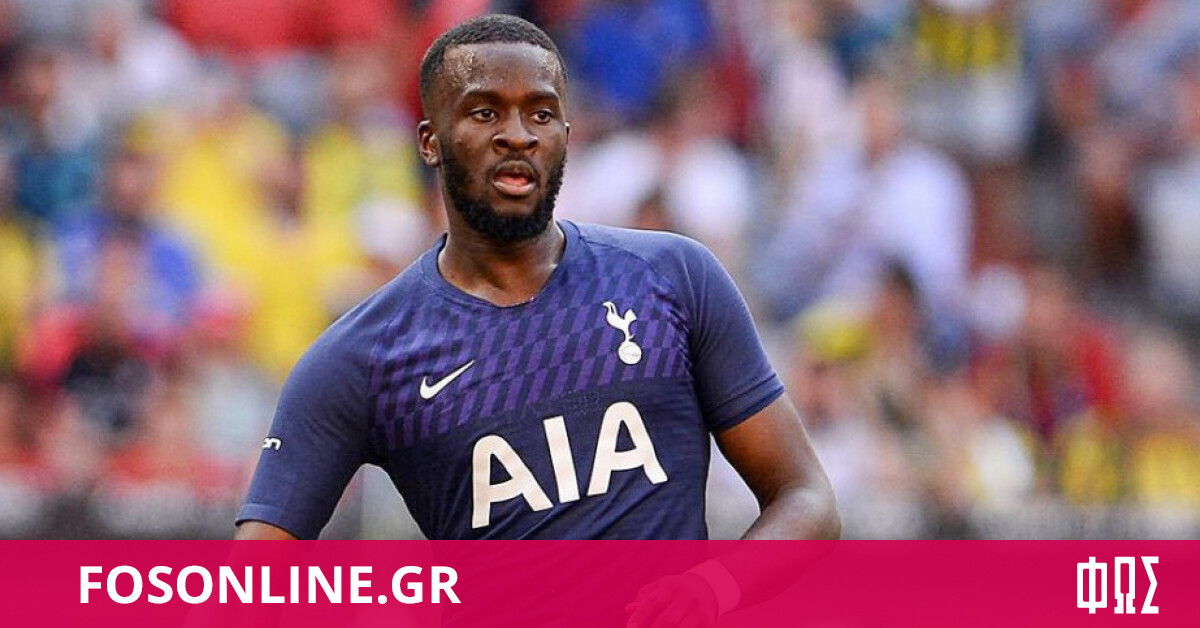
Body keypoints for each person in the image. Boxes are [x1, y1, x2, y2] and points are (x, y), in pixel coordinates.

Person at [235, 13, 838, 624]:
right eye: (485, 113)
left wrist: (712, 589)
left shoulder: (675, 277)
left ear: (567, 136)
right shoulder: (363, 355)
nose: (518, 135)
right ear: (430, 141)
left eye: (541, 114)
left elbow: (806, 496)